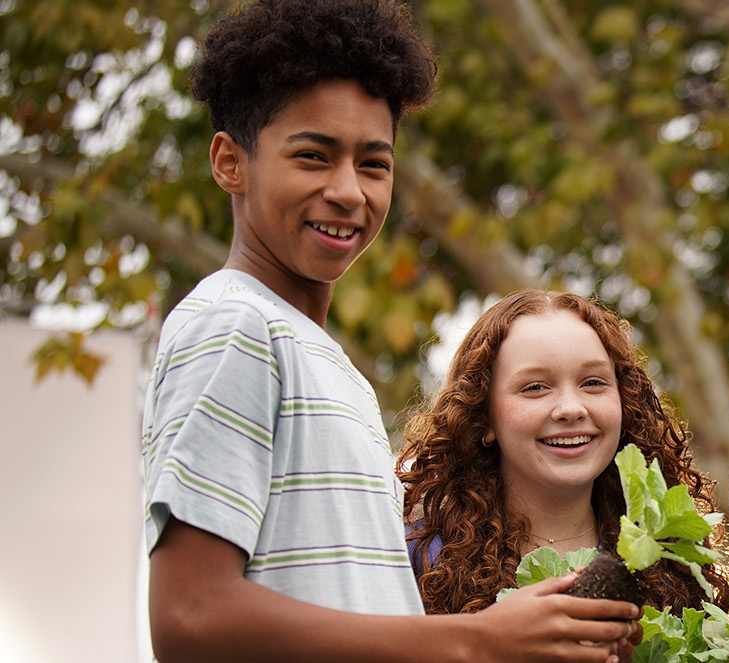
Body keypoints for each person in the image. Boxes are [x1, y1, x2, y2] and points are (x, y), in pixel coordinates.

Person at [140, 2, 637, 661]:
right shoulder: (234, 325)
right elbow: (189, 616)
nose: (349, 191)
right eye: (313, 156)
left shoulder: (320, 358)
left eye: (373, 163)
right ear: (230, 162)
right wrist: (477, 640)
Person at [398, 290, 729, 614]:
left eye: (593, 382)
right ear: (482, 418)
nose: (571, 408)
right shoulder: (417, 560)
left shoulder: (672, 562)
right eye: (535, 387)